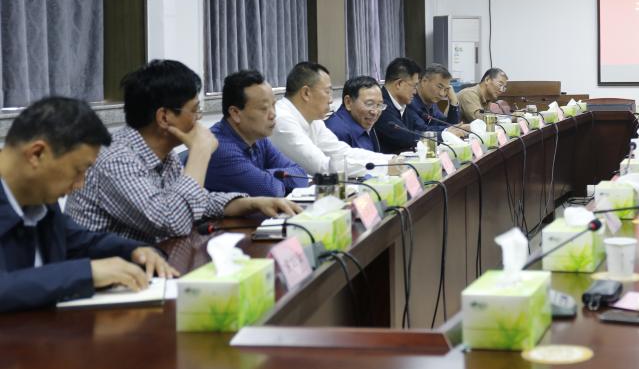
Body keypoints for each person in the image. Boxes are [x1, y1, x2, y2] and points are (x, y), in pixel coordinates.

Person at [67, 61, 299, 243]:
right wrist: (200, 152)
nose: (199, 119)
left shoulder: (165, 155)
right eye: (195, 111)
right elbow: (172, 220)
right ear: (164, 117)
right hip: (102, 279)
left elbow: (198, 201)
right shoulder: (116, 159)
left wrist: (252, 203)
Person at [0, 97, 178, 313]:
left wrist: (136, 251)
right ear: (37, 154)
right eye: (78, 170)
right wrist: (87, 273)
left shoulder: (40, 200)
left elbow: (80, 240)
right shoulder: (40, 193)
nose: (80, 184)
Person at [270, 61, 394, 175]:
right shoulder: (282, 120)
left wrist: (392, 160)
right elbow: (322, 167)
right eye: (327, 92)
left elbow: (341, 153)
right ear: (306, 93)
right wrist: (386, 167)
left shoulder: (313, 119)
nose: (331, 100)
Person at [200, 70, 307, 198]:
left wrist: (264, 174)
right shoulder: (219, 148)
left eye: (273, 105)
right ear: (235, 113)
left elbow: (301, 176)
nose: (273, 114)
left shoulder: (258, 138)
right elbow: (272, 191)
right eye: (264, 108)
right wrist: (269, 177)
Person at [373, 57, 426, 154]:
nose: (415, 92)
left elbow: (422, 128)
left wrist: (447, 131)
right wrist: (442, 136)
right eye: (414, 86)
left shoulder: (404, 104)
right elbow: (406, 138)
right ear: (399, 84)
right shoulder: (381, 106)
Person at [325, 76, 385, 152]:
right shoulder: (337, 132)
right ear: (348, 102)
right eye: (369, 104)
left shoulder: (363, 123)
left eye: (379, 105)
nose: (375, 112)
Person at [410, 63, 468, 138]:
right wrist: (448, 130)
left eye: (446, 89)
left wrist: (453, 102)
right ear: (424, 81)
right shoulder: (410, 101)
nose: (442, 94)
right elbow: (423, 130)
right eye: (439, 87)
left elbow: (448, 125)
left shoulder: (432, 103)